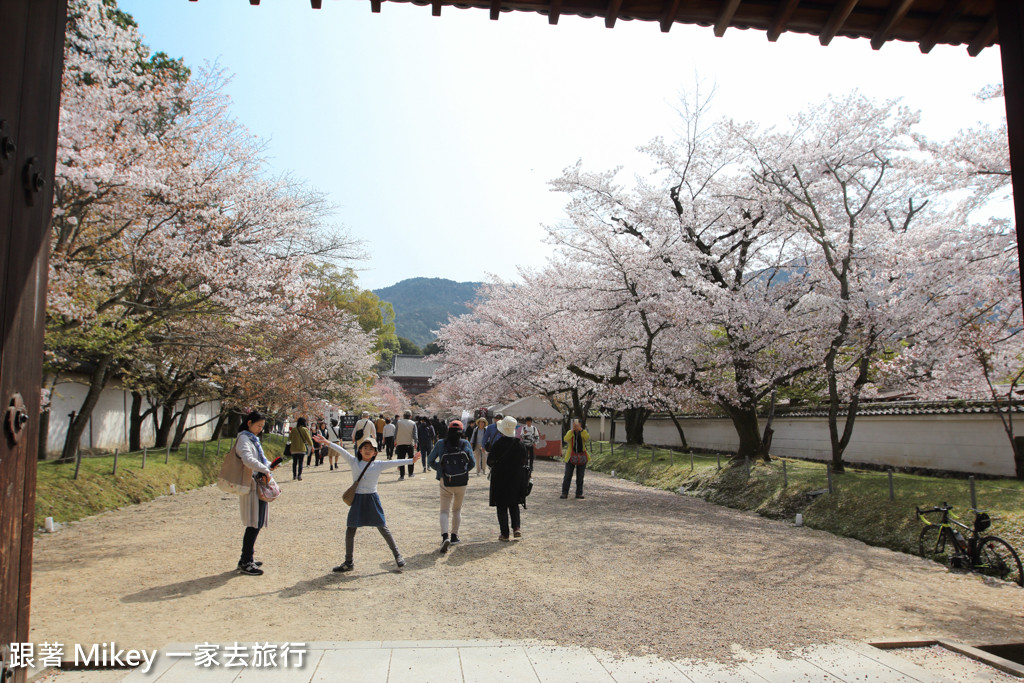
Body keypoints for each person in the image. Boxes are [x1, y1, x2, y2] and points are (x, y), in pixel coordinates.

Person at [313, 433, 418, 572]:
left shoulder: (378, 464)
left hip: (372, 498)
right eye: (365, 447)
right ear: (360, 450)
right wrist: (327, 442)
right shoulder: (354, 461)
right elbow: (341, 450)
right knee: (350, 529)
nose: (368, 450)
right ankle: (348, 562)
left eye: (371, 448)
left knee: (383, 527)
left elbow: (394, 462)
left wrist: (411, 460)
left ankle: (398, 556)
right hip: (358, 499)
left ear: (375, 452)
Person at [235, 411, 279, 575]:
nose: (260, 429)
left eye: (262, 426)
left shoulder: (253, 439)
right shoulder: (244, 439)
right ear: (249, 423)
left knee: (257, 522)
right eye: (258, 426)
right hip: (252, 483)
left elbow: (260, 459)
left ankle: (246, 558)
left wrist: (269, 465)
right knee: (253, 523)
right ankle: (246, 560)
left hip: (259, 482)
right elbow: (247, 459)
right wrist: (265, 468)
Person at [427, 420, 475, 553]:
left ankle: (444, 537)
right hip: (461, 482)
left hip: (445, 481)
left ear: (448, 430)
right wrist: (462, 472)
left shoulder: (441, 443)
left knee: (444, 511)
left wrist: (441, 470)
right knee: (457, 510)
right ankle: (454, 536)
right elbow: (472, 463)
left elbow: (430, 460)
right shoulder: (464, 443)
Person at [487, 416, 527, 541]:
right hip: (516, 478)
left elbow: (490, 461)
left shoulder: (498, 444)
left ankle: (504, 534)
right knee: (514, 504)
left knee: (502, 506)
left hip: (500, 478)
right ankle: (516, 528)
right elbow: (524, 461)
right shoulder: (520, 445)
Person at [561, 419, 590, 499]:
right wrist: (572, 431)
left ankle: (579, 493)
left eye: (577, 424)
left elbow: (587, 438)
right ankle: (564, 492)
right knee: (567, 475)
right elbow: (566, 439)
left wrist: (581, 430)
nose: (576, 425)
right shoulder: (570, 432)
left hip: (582, 457)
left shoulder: (584, 432)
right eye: (574, 424)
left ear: (580, 424)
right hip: (571, 456)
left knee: (580, 476)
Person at [394, 410, 418, 480]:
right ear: (410, 416)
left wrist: (395, 440)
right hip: (409, 443)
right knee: (410, 459)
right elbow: (415, 434)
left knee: (401, 459)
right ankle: (410, 473)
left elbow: (395, 432)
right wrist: (416, 442)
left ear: (403, 416)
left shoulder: (399, 422)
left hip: (400, 443)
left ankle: (402, 475)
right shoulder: (413, 423)